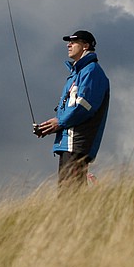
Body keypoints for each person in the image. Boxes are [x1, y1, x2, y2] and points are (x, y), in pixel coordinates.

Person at [35, 30, 110, 189]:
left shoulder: (91, 71)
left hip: (77, 141)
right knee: (67, 192)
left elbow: (84, 106)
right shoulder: (78, 73)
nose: (68, 45)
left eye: (73, 42)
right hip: (68, 142)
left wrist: (60, 122)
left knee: (70, 192)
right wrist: (49, 127)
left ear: (85, 46)